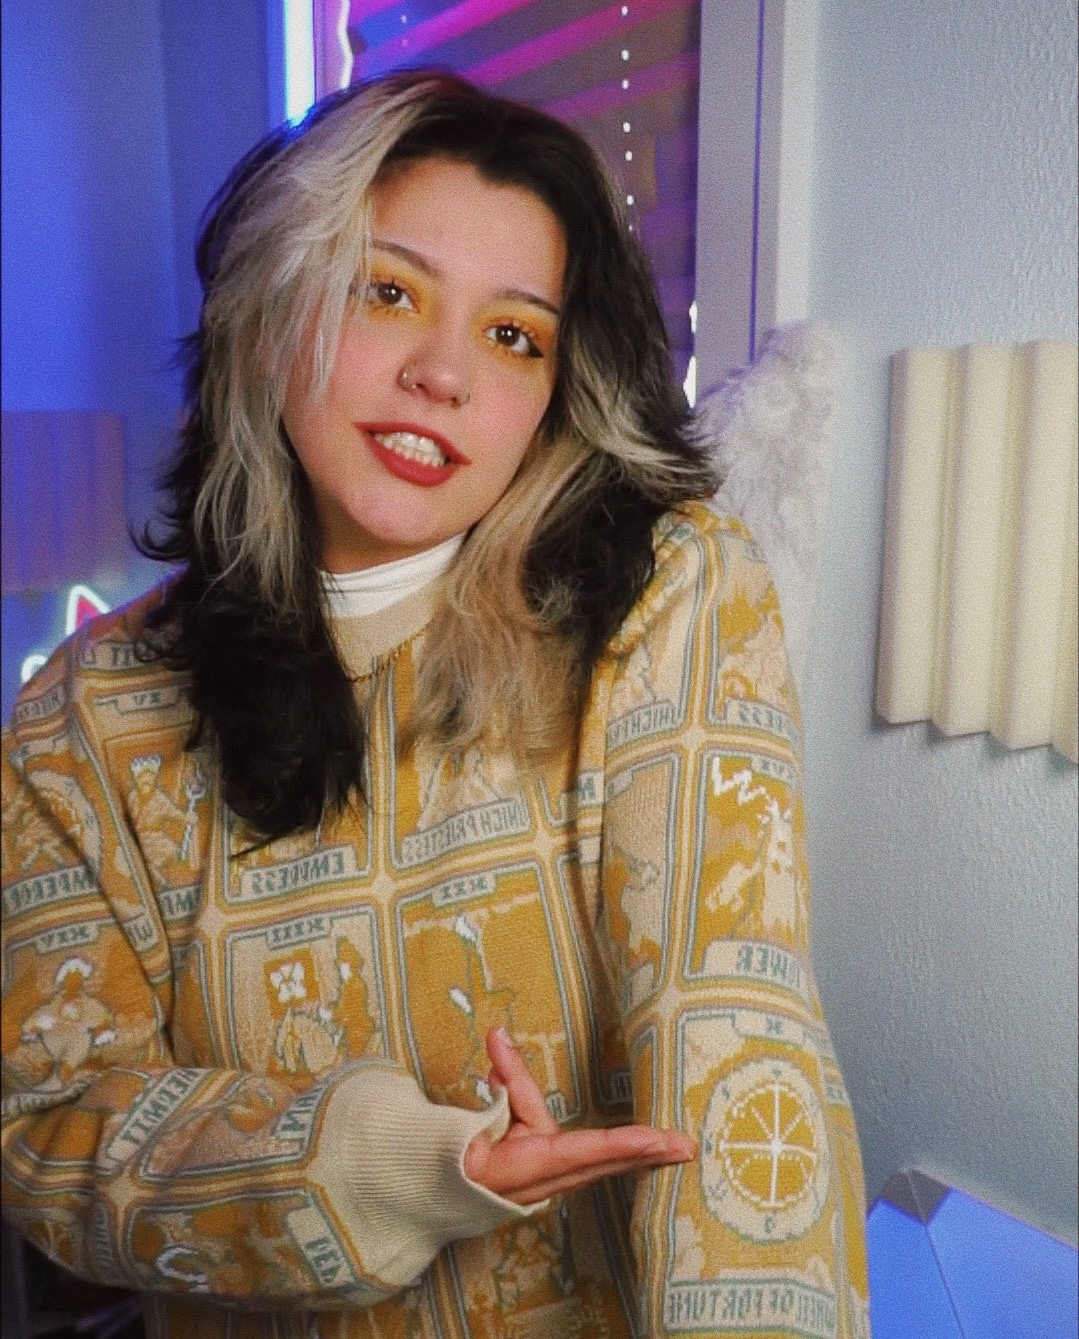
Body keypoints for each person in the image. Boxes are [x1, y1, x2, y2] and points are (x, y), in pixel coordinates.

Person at [1, 70, 871, 1338]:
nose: (444, 374)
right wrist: (390, 1164)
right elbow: (51, 1134)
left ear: (555, 394)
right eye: (389, 291)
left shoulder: (669, 594)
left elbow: (733, 1028)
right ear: (271, 310)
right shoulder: (79, 721)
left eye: (514, 335)